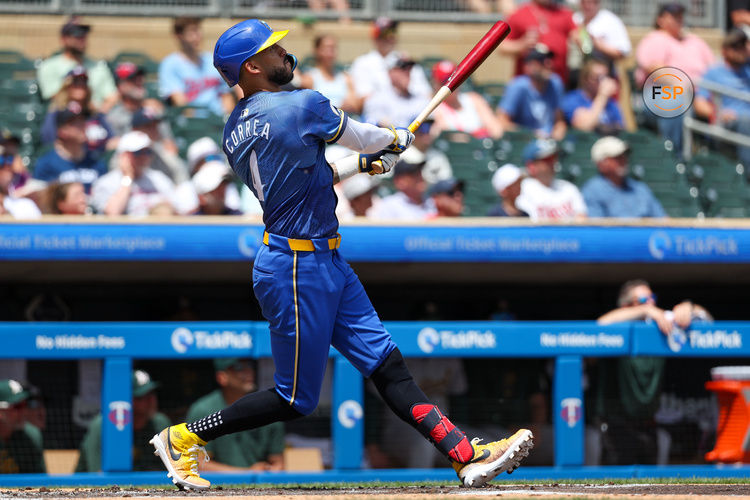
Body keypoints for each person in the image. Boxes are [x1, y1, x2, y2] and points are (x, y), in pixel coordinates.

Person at [150, 19, 533, 491]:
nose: (283, 53)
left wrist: (364, 163)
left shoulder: (236, 125)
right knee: (295, 399)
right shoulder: (301, 103)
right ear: (251, 66)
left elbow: (306, 174)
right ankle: (183, 437)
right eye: (272, 50)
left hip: (323, 260)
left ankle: (464, 454)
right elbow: (368, 136)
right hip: (295, 266)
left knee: (385, 363)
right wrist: (393, 141)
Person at [593, 280, 712, 465]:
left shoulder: (661, 325)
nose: (650, 303)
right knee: (614, 485)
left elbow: (709, 322)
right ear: (626, 305)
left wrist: (689, 308)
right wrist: (646, 311)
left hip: (647, 426)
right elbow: (600, 325)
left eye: (652, 298)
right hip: (615, 426)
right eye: (642, 299)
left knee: (649, 486)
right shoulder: (618, 325)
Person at [635, 3, 715, 152]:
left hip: (700, 93)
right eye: (673, 15)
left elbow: (713, 68)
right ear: (660, 19)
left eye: (680, 15)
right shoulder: (655, 38)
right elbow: (654, 70)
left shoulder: (694, 40)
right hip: (659, 92)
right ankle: (675, 159)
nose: (678, 19)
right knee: (675, 103)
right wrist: (684, 86)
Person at [186, 359, 284, 471]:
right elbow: (196, 463)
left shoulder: (269, 408)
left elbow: (278, 463)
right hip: (215, 486)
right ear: (222, 377)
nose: (248, 371)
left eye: (249, 365)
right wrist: (247, 474)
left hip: (261, 485)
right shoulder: (203, 410)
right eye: (238, 368)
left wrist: (268, 470)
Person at [76, 370, 170, 472]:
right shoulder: (104, 425)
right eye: (142, 397)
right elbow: (98, 476)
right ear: (126, 399)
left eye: (152, 394)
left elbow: (171, 470)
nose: (151, 400)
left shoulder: (160, 423)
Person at [694, 29, 750, 167]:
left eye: (743, 46)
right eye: (736, 47)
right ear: (725, 50)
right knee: (746, 123)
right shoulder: (714, 72)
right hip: (728, 124)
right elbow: (699, 104)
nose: (741, 50)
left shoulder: (747, 71)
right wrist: (719, 113)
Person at [37, 16, 118, 111]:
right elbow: (57, 98)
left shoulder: (98, 67)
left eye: (84, 35)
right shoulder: (49, 66)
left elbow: (112, 97)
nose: (81, 39)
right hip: (65, 118)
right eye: (77, 35)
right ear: (64, 39)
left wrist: (97, 116)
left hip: (95, 117)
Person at [159, 17, 234, 116]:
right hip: (192, 125)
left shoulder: (212, 60)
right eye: (191, 32)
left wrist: (228, 119)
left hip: (218, 121)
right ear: (179, 36)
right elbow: (181, 104)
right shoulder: (170, 64)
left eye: (198, 31)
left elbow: (226, 95)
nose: (197, 36)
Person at [91, 131, 177, 216]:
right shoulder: (107, 182)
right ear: (123, 156)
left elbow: (177, 210)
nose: (144, 157)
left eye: (147, 152)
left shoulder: (159, 179)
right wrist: (128, 178)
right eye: (138, 153)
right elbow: (113, 212)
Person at [582, 136, 667, 218]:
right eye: (617, 158)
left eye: (624, 156)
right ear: (601, 163)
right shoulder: (592, 191)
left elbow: (664, 221)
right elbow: (597, 228)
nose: (624, 160)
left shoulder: (640, 188)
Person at [349, 17, 431, 100]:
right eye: (385, 34)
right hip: (377, 111)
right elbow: (363, 98)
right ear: (375, 37)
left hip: (410, 110)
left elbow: (426, 94)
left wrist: (404, 89)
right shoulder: (363, 63)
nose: (390, 37)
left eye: (393, 32)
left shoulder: (406, 61)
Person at [33, 102, 108, 193]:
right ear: (61, 131)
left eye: (83, 120)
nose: (82, 126)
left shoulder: (96, 163)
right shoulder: (46, 164)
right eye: (75, 123)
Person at [40, 66, 116, 155]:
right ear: (67, 86)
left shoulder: (94, 113)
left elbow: (112, 139)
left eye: (84, 82)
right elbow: (49, 141)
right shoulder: (57, 112)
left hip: (98, 161)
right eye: (76, 82)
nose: (80, 86)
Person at [498, 45, 567, 140]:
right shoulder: (518, 86)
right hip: (523, 144)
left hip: (549, 144)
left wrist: (557, 134)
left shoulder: (556, 83)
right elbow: (502, 121)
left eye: (549, 59)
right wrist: (530, 134)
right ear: (528, 66)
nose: (548, 64)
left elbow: (559, 120)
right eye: (542, 61)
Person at [500, 0, 578, 84]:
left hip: (556, 82)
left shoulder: (564, 13)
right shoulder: (519, 13)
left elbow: (578, 36)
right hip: (528, 83)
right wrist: (522, 45)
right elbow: (503, 46)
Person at [515, 139, 587, 220]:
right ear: (531, 166)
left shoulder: (568, 188)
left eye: (553, 158)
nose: (552, 162)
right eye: (546, 160)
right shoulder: (522, 190)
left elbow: (582, 219)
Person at [430, 61, 503, 140]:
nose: (450, 85)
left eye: (454, 80)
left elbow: (497, 130)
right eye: (445, 81)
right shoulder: (434, 107)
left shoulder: (474, 99)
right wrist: (479, 134)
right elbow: (450, 138)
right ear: (435, 84)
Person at [299, 34, 362, 114]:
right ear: (317, 50)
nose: (330, 52)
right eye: (326, 48)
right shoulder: (309, 79)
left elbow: (356, 106)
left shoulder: (346, 78)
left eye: (333, 48)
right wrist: (339, 107)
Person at [362, 54, 430, 128]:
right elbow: (375, 129)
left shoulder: (420, 99)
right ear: (390, 72)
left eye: (409, 68)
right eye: (403, 68)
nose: (408, 72)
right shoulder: (376, 99)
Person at [562, 58, 623, 133]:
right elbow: (585, 126)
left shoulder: (611, 104)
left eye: (605, 77)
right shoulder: (572, 99)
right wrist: (602, 96)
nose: (602, 82)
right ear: (585, 79)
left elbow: (621, 129)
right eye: (598, 77)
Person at [0, 379, 45, 474]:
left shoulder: (31, 436)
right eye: (17, 406)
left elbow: (37, 480)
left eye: (25, 405)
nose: (24, 411)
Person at [371, 159, 436, 220]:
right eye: (413, 174)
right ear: (399, 181)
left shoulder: (434, 203)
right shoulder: (389, 206)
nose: (419, 177)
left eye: (419, 172)